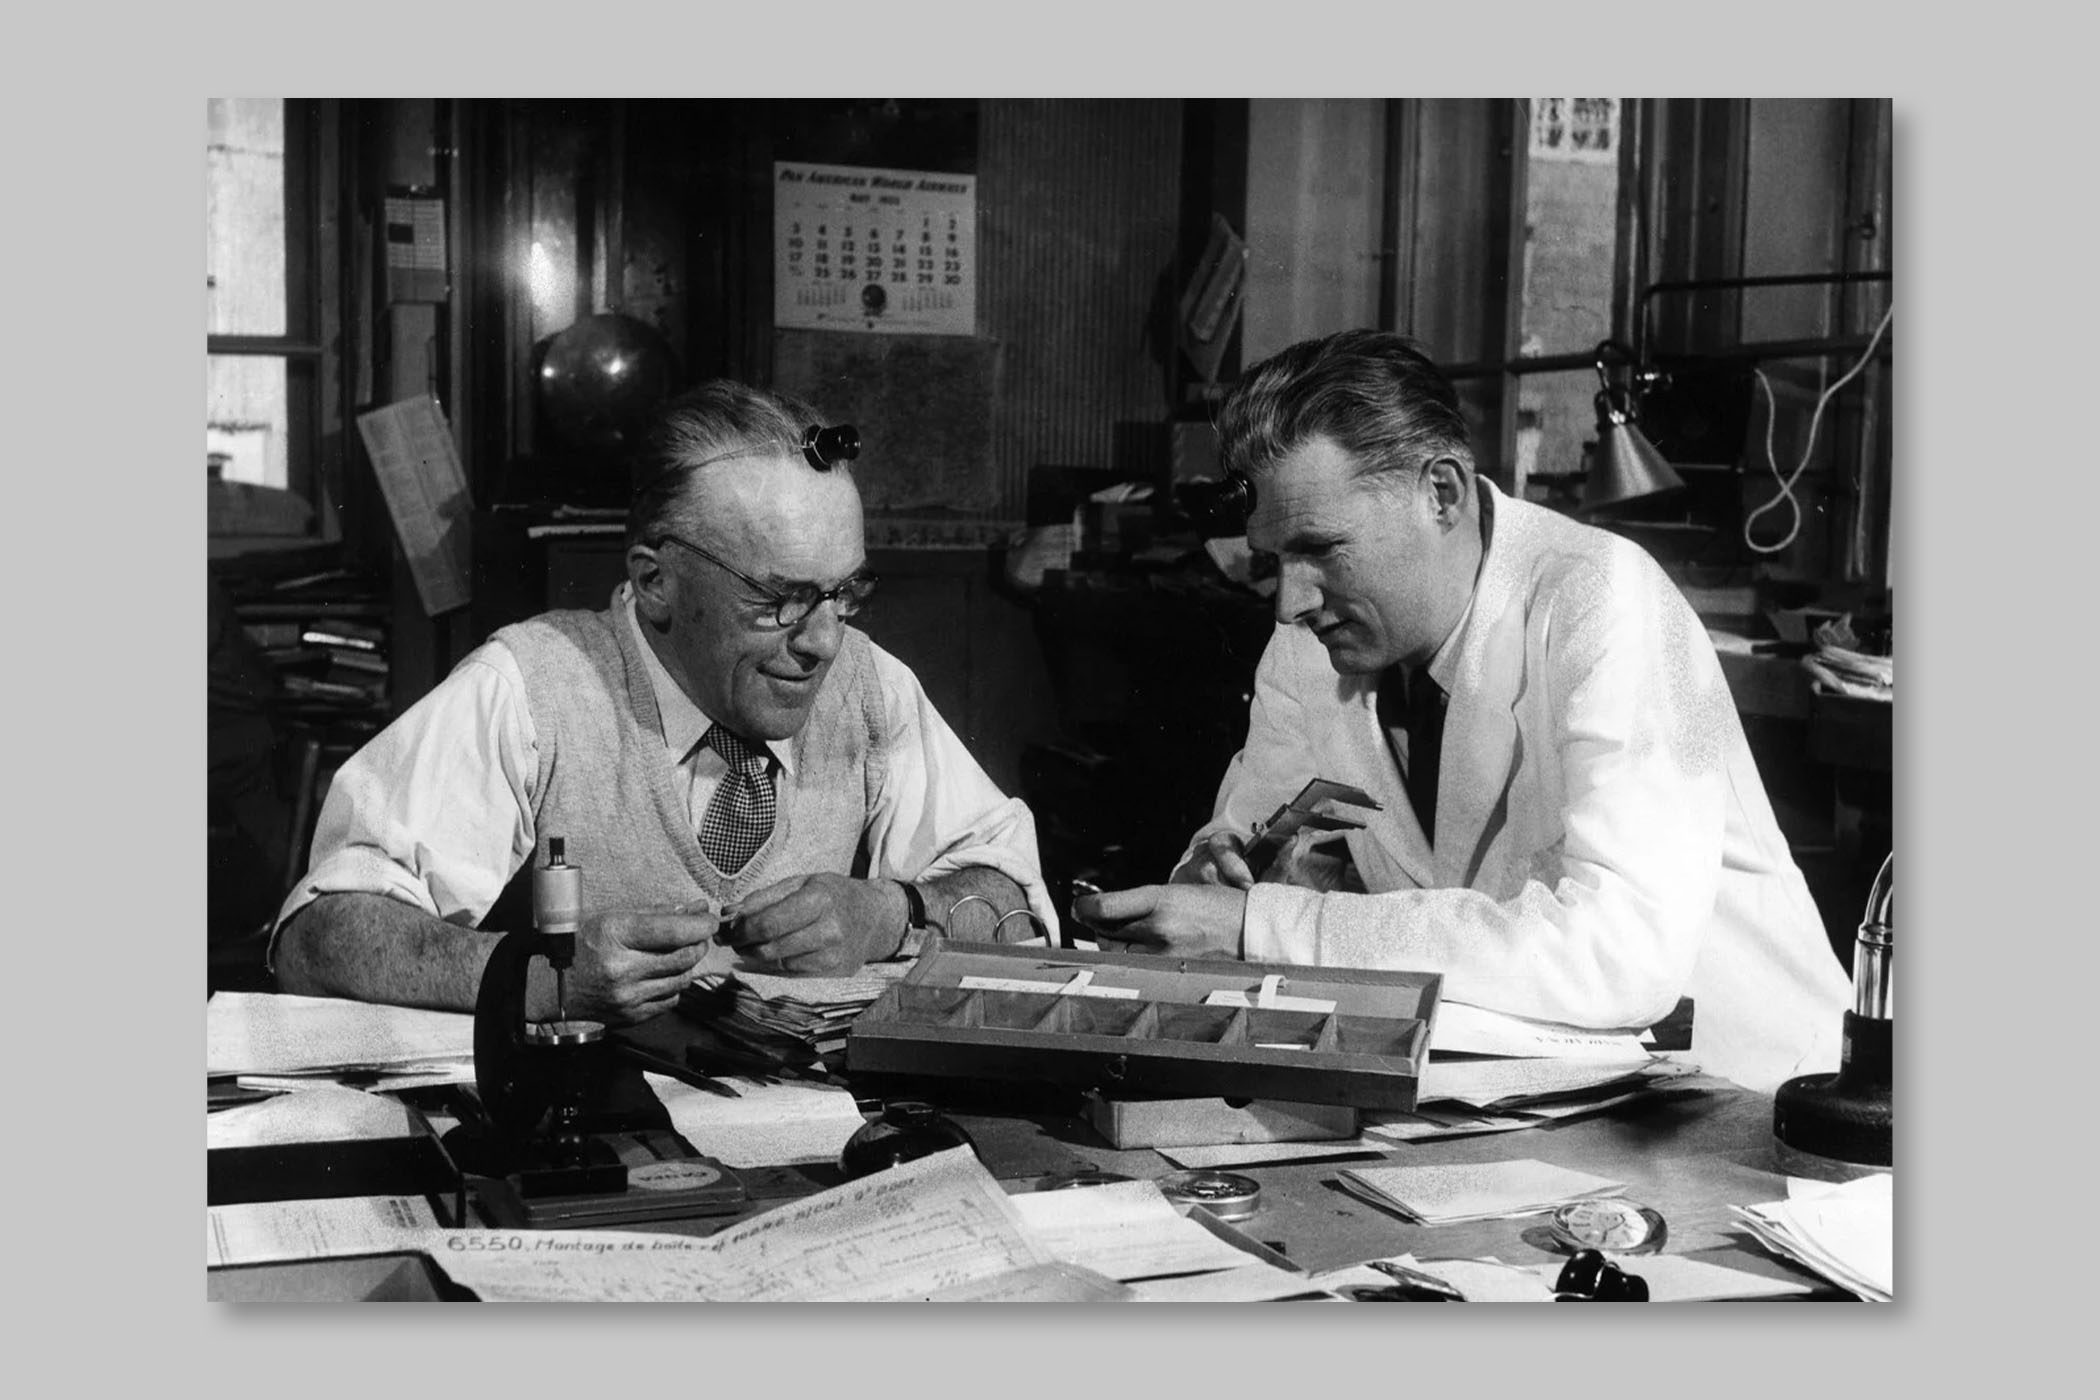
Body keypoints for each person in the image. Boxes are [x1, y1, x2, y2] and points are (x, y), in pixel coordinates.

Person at [1074, 330, 1849, 1092]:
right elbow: (1245, 856)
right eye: (1275, 558)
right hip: (1519, 1095)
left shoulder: (1603, 599)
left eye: (1323, 549)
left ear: (1441, 493)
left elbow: (1621, 955)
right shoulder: (1311, 647)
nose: (1290, 601)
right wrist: (1225, 874)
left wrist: (1266, 926)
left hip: (1749, 1103)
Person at [272, 380, 1055, 1027]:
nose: (822, 642)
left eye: (843, 592)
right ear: (655, 582)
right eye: (779, 599)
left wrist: (893, 912)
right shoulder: (531, 688)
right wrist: (535, 976)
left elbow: (1012, 891)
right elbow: (319, 934)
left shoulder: (871, 686)